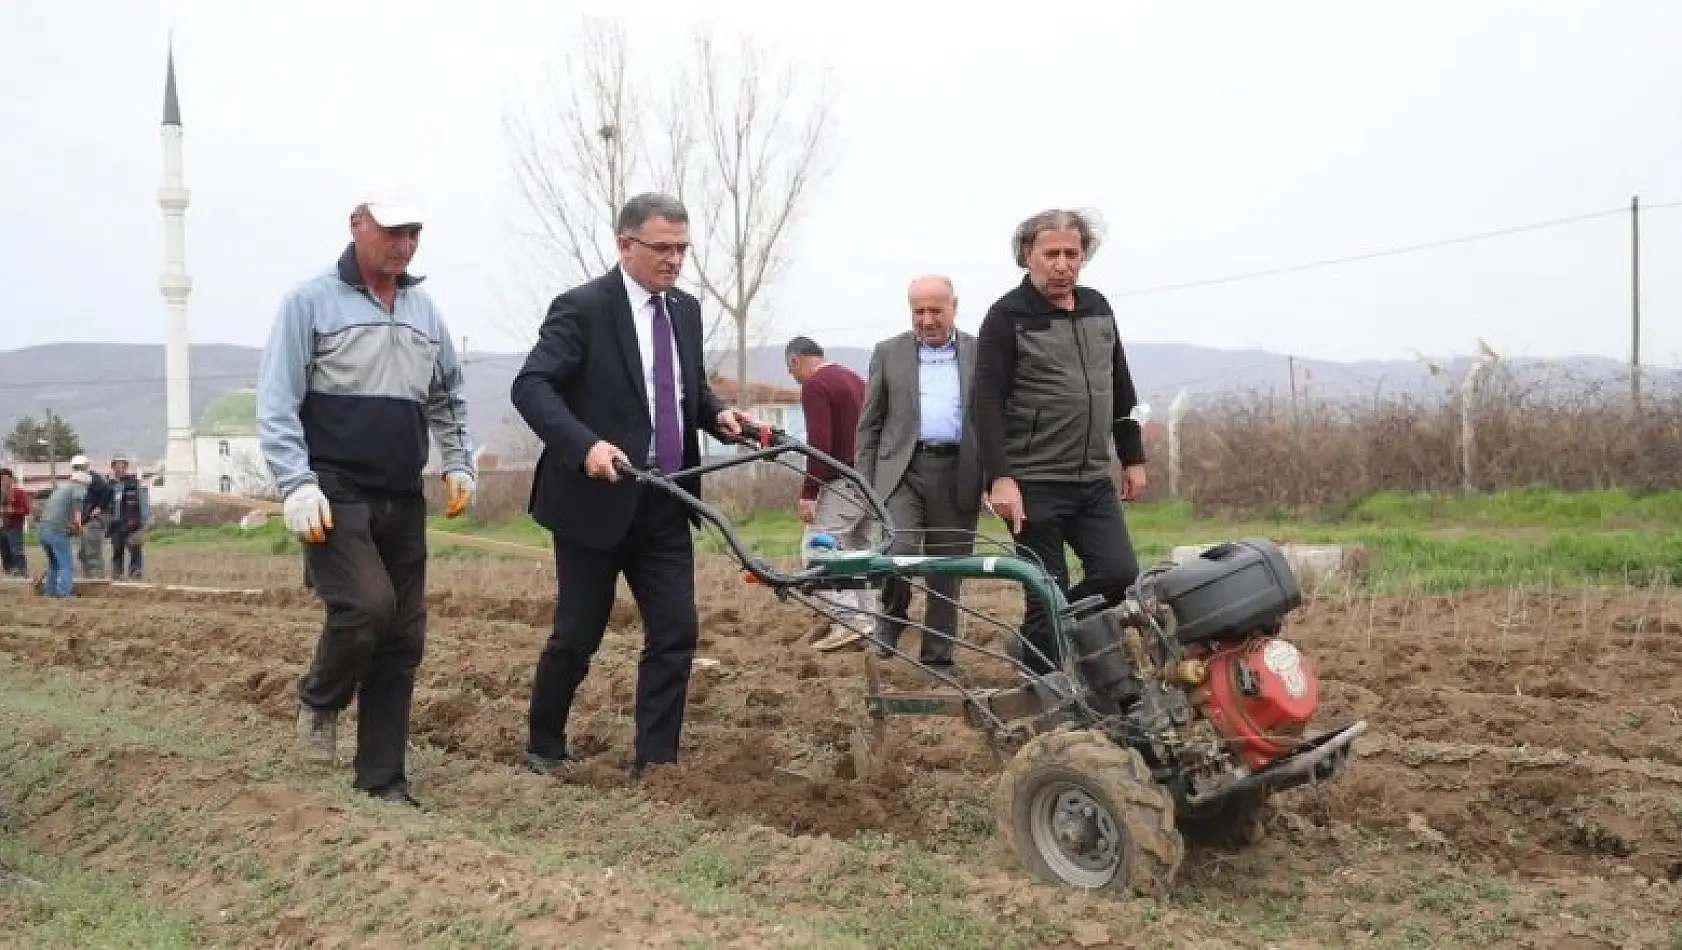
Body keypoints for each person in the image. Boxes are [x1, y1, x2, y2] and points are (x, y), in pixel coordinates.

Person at [512, 192, 753, 783]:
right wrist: (586, 446)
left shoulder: (686, 312)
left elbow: (684, 392)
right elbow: (533, 387)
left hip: (664, 498)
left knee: (676, 631)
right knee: (578, 635)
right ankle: (543, 743)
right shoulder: (582, 309)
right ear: (625, 245)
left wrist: (719, 415)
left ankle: (656, 761)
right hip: (594, 501)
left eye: (681, 249)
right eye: (662, 248)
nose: (673, 260)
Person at [257, 194, 476, 807]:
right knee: (365, 607)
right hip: (332, 489)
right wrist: (294, 481)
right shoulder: (311, 301)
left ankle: (382, 780)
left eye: (413, 233)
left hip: (402, 492)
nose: (403, 246)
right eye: (392, 232)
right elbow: (277, 400)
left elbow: (449, 397)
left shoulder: (424, 311)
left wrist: (458, 463)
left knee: (403, 636)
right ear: (357, 224)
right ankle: (321, 697)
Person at [970, 208, 1148, 676]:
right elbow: (985, 402)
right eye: (1052, 254)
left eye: (1072, 253)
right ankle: (1052, 688)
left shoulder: (1098, 308)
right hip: (1033, 483)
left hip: (1091, 479)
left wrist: (1132, 457)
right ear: (1028, 256)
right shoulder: (1006, 316)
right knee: (1045, 589)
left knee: (1121, 574)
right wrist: (1000, 479)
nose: (1062, 264)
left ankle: (1033, 641)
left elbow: (1120, 386)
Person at [855, 276, 983, 670]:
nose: (926, 320)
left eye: (935, 311)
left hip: (958, 471)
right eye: (918, 311)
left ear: (954, 307)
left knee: (947, 569)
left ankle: (937, 656)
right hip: (902, 471)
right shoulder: (888, 353)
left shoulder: (981, 353)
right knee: (900, 552)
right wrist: (866, 481)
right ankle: (891, 619)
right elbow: (870, 423)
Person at [785, 336, 874, 653]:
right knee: (858, 553)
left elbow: (819, 443)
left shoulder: (816, 384)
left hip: (842, 480)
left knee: (816, 552)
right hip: (869, 481)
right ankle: (870, 622)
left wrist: (810, 490)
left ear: (795, 360)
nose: (794, 379)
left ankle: (849, 620)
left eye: (791, 371)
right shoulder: (852, 378)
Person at [35, 467, 89, 598]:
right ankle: (65, 593)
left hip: (42, 529)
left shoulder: (61, 490)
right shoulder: (78, 489)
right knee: (66, 564)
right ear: (83, 483)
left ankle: (50, 591)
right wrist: (78, 526)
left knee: (54, 563)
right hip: (55, 530)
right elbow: (77, 510)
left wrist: (71, 527)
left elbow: (60, 512)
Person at [106, 454, 150, 579]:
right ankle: (117, 573)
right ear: (113, 467)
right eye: (117, 464)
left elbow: (142, 501)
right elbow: (105, 504)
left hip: (133, 523)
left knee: (135, 549)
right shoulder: (109, 485)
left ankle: (135, 571)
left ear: (126, 466)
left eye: (123, 464)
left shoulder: (134, 483)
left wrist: (144, 520)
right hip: (115, 524)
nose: (120, 467)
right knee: (117, 551)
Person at [76, 455, 110, 579]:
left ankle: (97, 579)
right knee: (83, 553)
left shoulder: (94, 479)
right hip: (85, 520)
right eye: (76, 467)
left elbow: (107, 491)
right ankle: (88, 577)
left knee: (92, 552)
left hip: (94, 520)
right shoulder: (80, 480)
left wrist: (99, 507)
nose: (79, 469)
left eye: (81, 466)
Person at [0, 467, 31, 577]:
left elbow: (26, 510)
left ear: (11, 479)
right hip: (1, 527)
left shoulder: (19, 492)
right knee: (4, 552)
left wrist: (12, 511)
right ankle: (9, 572)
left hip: (14, 526)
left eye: (4, 478)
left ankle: (22, 571)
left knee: (16, 550)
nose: (2, 482)